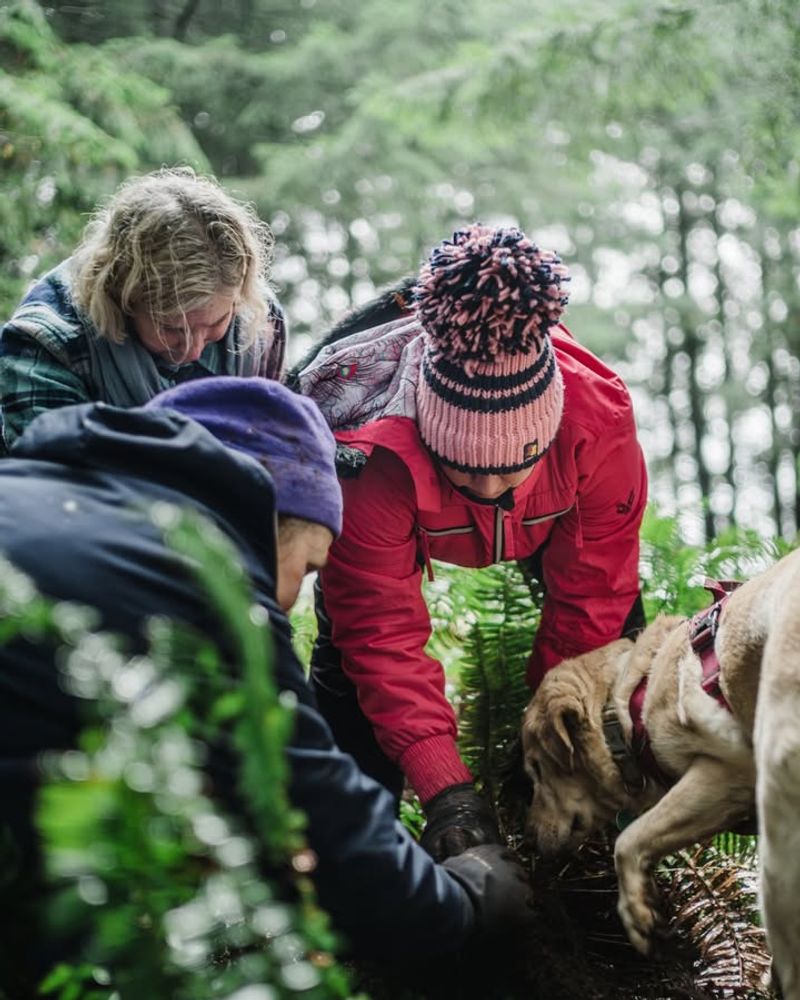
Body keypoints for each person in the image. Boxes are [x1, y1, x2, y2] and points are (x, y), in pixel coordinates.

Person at [0, 376, 531, 986]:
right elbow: (306, 801)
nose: (287, 600)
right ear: (271, 514)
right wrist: (460, 899)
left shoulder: (39, 492)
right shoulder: (200, 576)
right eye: (306, 568)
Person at [294, 223, 648, 860]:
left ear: (549, 432)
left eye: (513, 466)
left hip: (555, 518)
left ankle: (617, 852)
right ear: (430, 432)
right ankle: (356, 865)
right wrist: (447, 792)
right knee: (348, 677)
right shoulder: (372, 466)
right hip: (395, 515)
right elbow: (381, 637)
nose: (487, 486)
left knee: (619, 653)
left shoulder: (600, 428)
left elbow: (592, 599)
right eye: (463, 466)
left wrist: (550, 734)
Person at [0, 167, 285, 454]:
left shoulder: (260, 323)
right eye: (172, 328)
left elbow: (275, 452)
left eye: (217, 323)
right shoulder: (44, 345)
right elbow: (55, 484)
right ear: (120, 297)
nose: (193, 350)